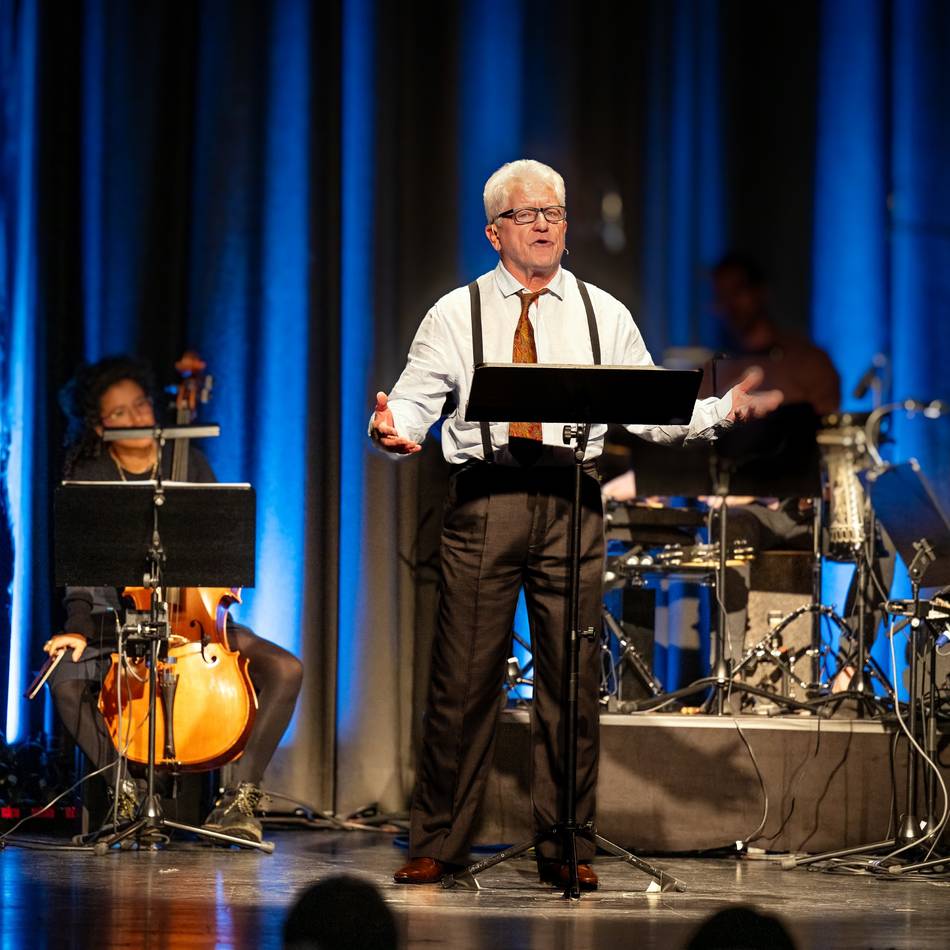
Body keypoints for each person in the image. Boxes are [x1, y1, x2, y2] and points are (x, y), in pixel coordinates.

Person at [370, 160, 781, 889]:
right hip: (486, 500)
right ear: (494, 231)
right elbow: (412, 401)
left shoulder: (602, 312)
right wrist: (393, 430)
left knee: (572, 679)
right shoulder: (455, 313)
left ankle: (567, 846)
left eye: (555, 213)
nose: (544, 226)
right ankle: (439, 840)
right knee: (462, 682)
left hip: (572, 498)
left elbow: (653, 410)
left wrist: (718, 411)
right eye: (528, 215)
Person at [44, 356, 304, 843]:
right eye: (119, 412)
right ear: (100, 426)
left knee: (286, 668)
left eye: (140, 404)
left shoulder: (189, 463)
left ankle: (239, 797)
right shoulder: (93, 477)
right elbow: (81, 582)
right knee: (63, 680)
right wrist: (77, 628)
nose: (137, 417)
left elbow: (220, 555)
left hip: (196, 627)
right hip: (118, 625)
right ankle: (123, 789)